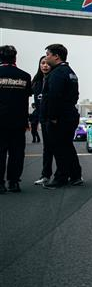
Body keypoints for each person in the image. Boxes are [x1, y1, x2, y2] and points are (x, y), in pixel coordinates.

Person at [40, 44, 82, 188]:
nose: (46, 58)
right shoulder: (70, 72)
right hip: (69, 114)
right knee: (67, 146)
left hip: (59, 118)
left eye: (48, 54)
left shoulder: (57, 73)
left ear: (56, 56)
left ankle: (60, 178)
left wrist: (52, 117)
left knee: (59, 148)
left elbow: (54, 96)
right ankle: (76, 175)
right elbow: (75, 95)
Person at [0, 45, 32, 193]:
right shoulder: (25, 76)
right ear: (15, 58)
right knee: (17, 153)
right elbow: (25, 99)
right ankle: (13, 182)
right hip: (18, 121)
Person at [31, 56, 54, 185]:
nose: (45, 66)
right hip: (43, 120)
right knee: (47, 149)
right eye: (42, 63)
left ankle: (69, 174)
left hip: (55, 120)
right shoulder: (36, 82)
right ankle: (45, 175)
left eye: (47, 63)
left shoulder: (54, 79)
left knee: (59, 148)